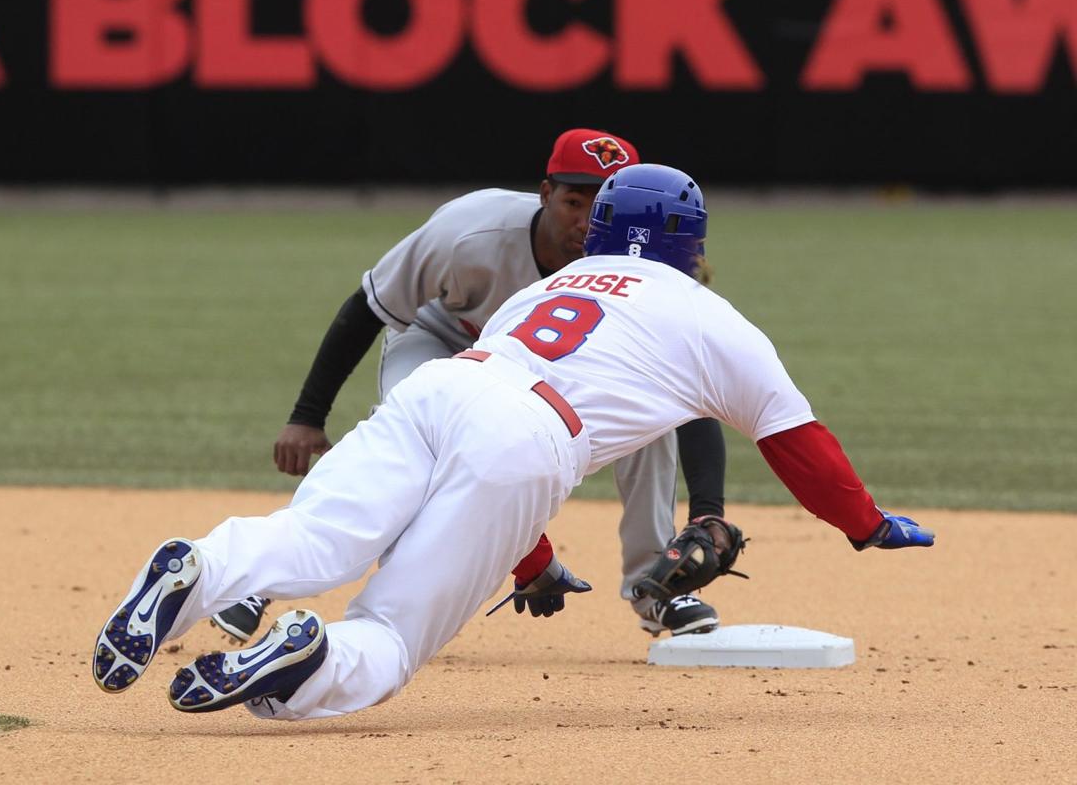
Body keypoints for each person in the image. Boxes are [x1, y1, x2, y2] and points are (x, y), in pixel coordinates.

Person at [92, 163, 935, 718]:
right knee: (390, 635)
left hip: (445, 386)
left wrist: (529, 554)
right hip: (529, 436)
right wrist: (865, 523)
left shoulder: (562, 278)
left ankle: (199, 567)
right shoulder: (716, 319)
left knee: (310, 536)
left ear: (600, 226)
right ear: (696, 243)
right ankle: (307, 656)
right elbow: (800, 445)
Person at [210, 129, 729, 645]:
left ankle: (656, 588)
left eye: (602, 204)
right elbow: (366, 309)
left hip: (553, 369)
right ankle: (265, 575)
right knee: (404, 448)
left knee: (653, 427)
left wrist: (708, 511)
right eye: (574, 200)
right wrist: (307, 416)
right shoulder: (469, 230)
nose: (585, 219)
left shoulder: (642, 264)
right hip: (442, 340)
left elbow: (687, 388)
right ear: (545, 193)